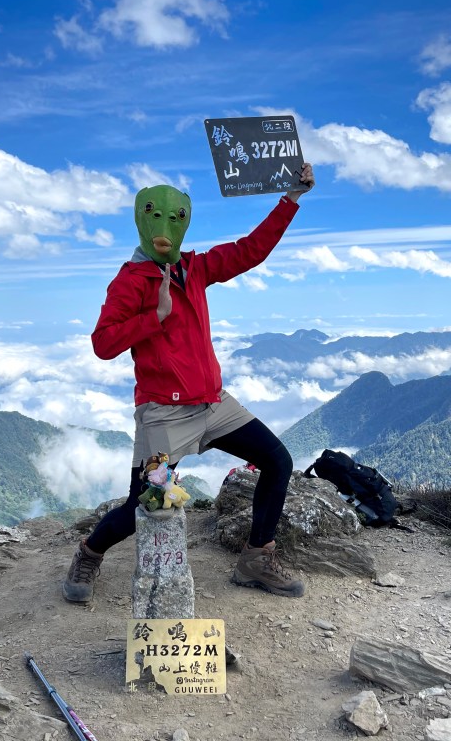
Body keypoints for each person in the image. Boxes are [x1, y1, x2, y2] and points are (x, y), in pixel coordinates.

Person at [63, 163, 315, 604]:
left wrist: (290, 199)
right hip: (164, 412)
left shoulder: (195, 268)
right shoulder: (130, 281)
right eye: (156, 216)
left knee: (277, 461)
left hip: (213, 403)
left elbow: (250, 250)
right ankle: (89, 553)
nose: (166, 227)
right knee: (144, 503)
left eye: (176, 218)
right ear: (142, 220)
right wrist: (155, 316)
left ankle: (256, 558)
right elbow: (103, 343)